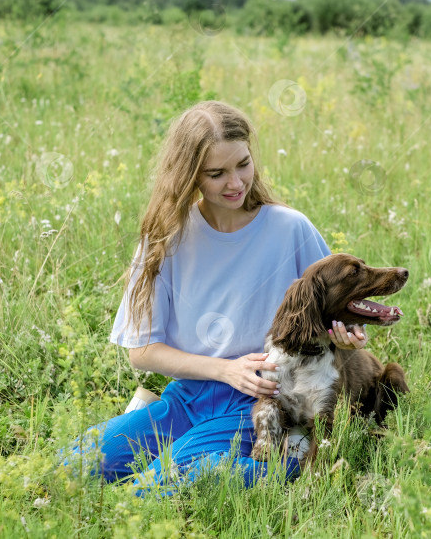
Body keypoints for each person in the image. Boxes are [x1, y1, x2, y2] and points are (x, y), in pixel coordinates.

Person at [73, 101, 368, 495]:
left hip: (263, 399)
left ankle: (292, 465)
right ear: (189, 174)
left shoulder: (290, 229)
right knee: (69, 468)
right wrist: (223, 369)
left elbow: (335, 308)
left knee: (153, 490)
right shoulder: (165, 239)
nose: (236, 183)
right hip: (190, 395)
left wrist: (346, 332)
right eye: (217, 173)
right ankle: (175, 439)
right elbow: (141, 351)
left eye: (243, 164)